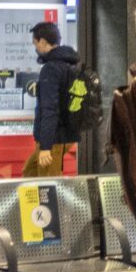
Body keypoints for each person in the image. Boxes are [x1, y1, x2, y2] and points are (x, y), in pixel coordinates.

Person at [23, 20, 79, 177]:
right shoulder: (69, 65)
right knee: (29, 172)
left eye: (35, 43)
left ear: (42, 41)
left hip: (53, 138)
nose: (36, 48)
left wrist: (46, 146)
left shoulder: (51, 69)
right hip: (63, 134)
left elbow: (50, 109)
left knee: (48, 185)